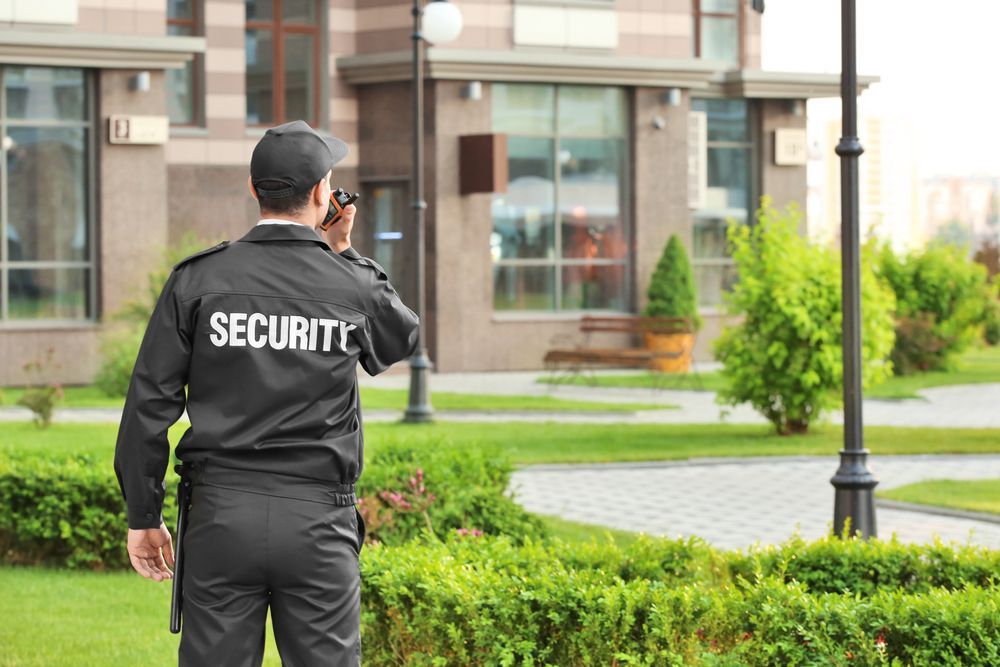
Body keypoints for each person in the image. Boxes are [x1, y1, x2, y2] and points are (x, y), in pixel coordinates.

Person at [113, 119, 419, 666]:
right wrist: (345, 254)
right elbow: (400, 340)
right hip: (318, 523)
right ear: (325, 194)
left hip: (220, 518)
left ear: (254, 190)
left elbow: (148, 406)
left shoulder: (196, 280)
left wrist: (143, 514)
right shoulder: (349, 283)